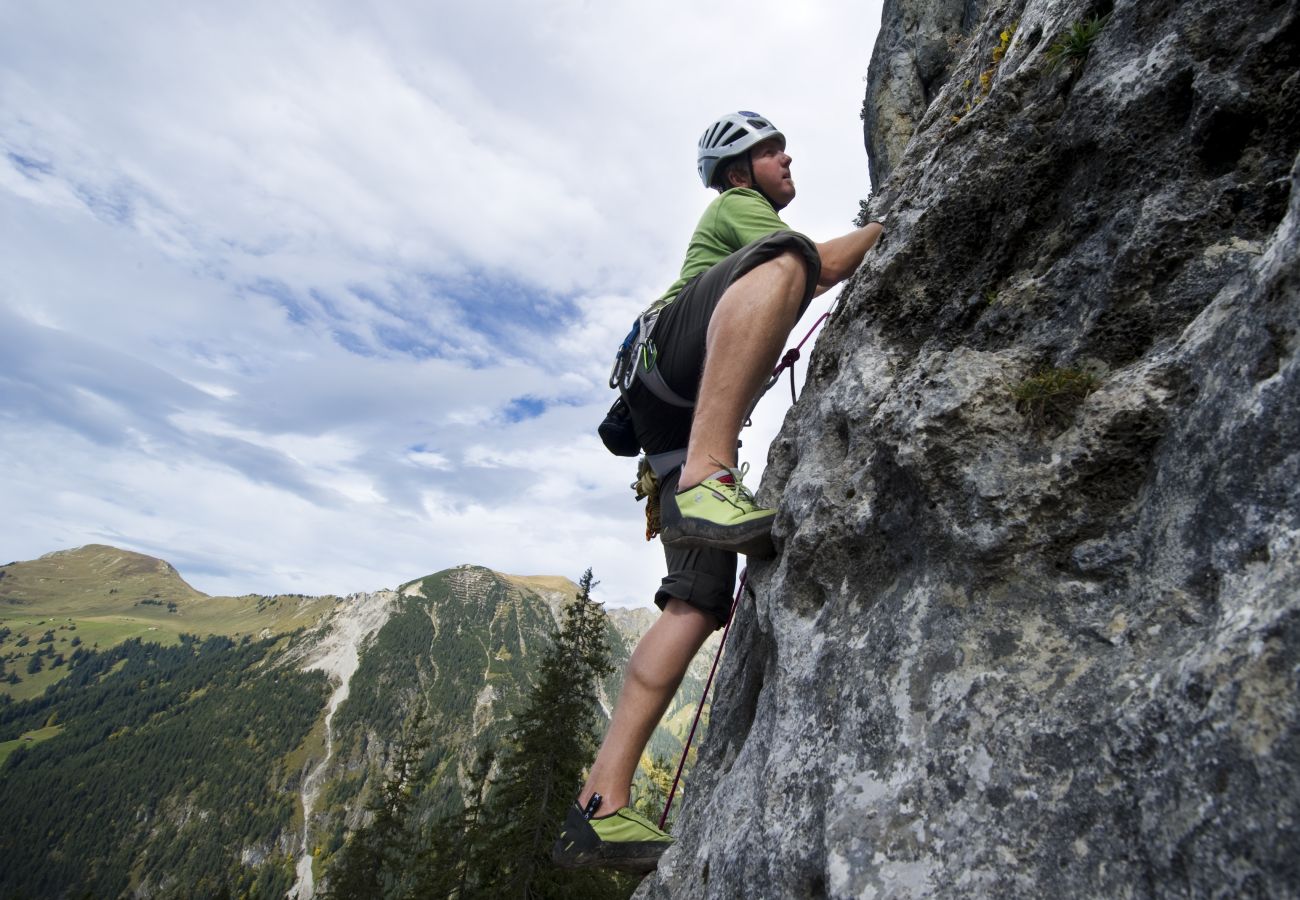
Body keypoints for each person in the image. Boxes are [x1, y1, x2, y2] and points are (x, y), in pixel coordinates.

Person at [553, 111, 884, 873]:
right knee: (790, 257)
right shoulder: (743, 211)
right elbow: (820, 267)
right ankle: (710, 478)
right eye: (771, 151)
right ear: (740, 172)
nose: (785, 156)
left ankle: (599, 804)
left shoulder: (743, 209)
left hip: (662, 413)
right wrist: (888, 226)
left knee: (697, 600)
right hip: (675, 378)